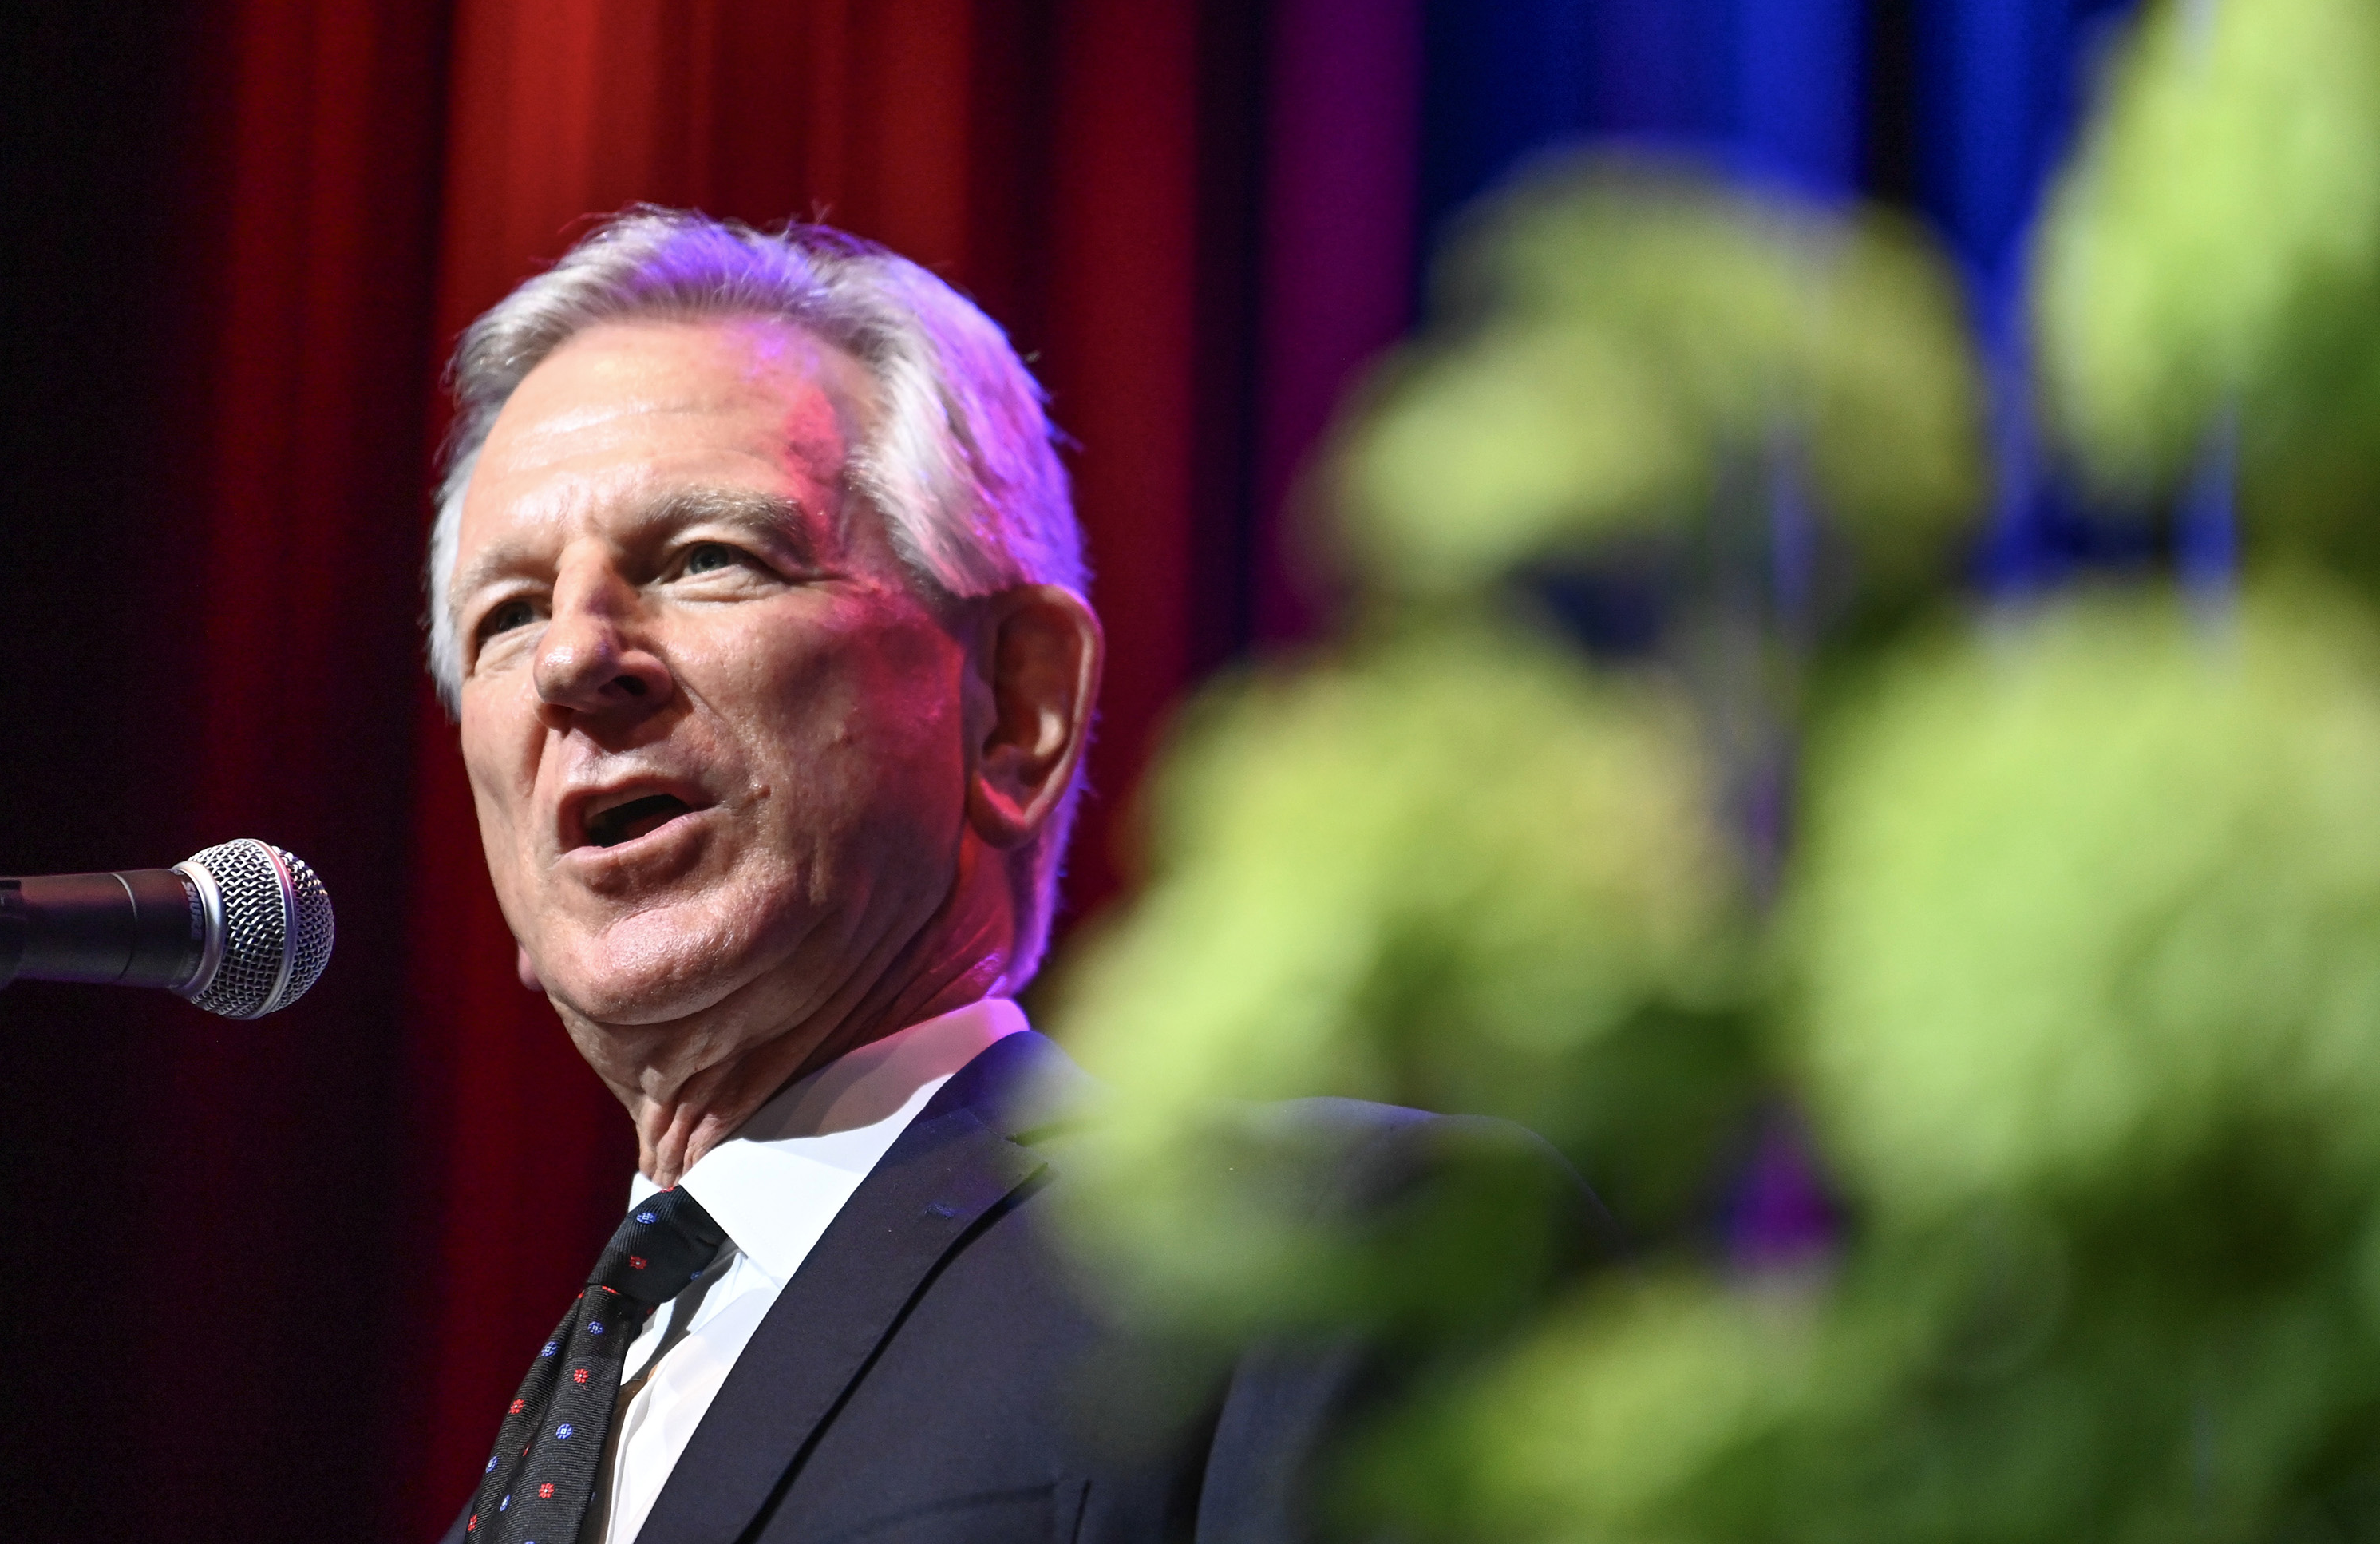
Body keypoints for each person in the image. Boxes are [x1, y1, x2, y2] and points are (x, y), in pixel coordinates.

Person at [427, 209, 1598, 1544]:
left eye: (707, 560)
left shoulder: (1306, 1265)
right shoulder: (553, 1430)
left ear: (1017, 711)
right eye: (508, 613)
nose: (574, 660)